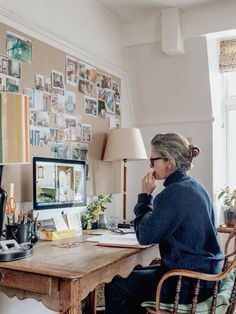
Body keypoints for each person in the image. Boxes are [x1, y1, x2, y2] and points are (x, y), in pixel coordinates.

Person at [105, 133, 223, 314]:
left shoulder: (173, 194)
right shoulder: (194, 185)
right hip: (207, 279)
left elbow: (144, 236)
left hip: (187, 284)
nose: (150, 166)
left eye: (153, 161)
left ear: (169, 160)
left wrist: (145, 196)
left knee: (116, 285)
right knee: (133, 272)